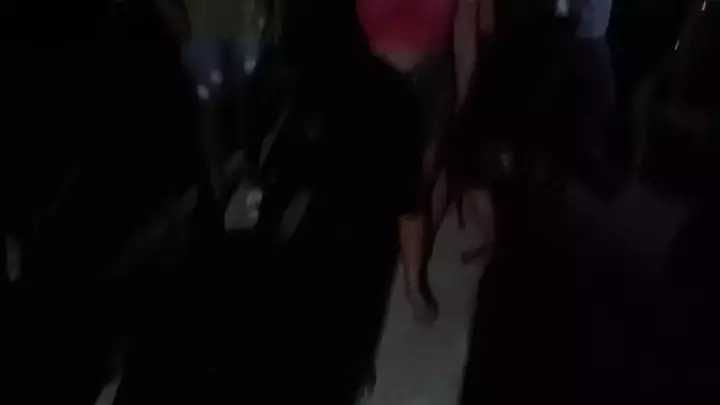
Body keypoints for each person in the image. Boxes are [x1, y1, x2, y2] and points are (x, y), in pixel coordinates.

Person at [356, 0, 463, 324]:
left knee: (417, 184)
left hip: (434, 79)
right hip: (380, 77)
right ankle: (404, 278)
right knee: (389, 185)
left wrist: (467, 96)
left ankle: (413, 280)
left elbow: (464, 30)